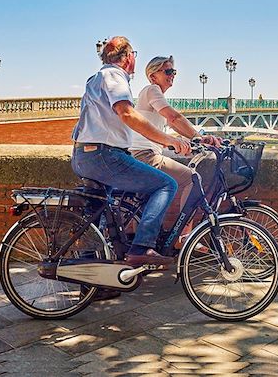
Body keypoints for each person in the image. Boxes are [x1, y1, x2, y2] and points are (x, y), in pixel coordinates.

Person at [71, 36, 191, 267]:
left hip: (83, 155)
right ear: (128, 57)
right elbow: (126, 113)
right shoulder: (115, 76)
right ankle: (142, 247)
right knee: (166, 184)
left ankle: (91, 280)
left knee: (96, 215)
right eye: (133, 53)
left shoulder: (96, 77)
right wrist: (168, 140)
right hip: (103, 156)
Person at [130, 56, 221, 242]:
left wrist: (183, 142)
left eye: (174, 72)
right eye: (168, 71)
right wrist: (198, 138)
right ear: (152, 75)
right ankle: (184, 237)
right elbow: (174, 118)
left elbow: (158, 131)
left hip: (141, 154)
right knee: (191, 179)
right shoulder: (152, 90)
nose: (172, 75)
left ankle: (143, 239)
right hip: (145, 156)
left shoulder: (151, 95)